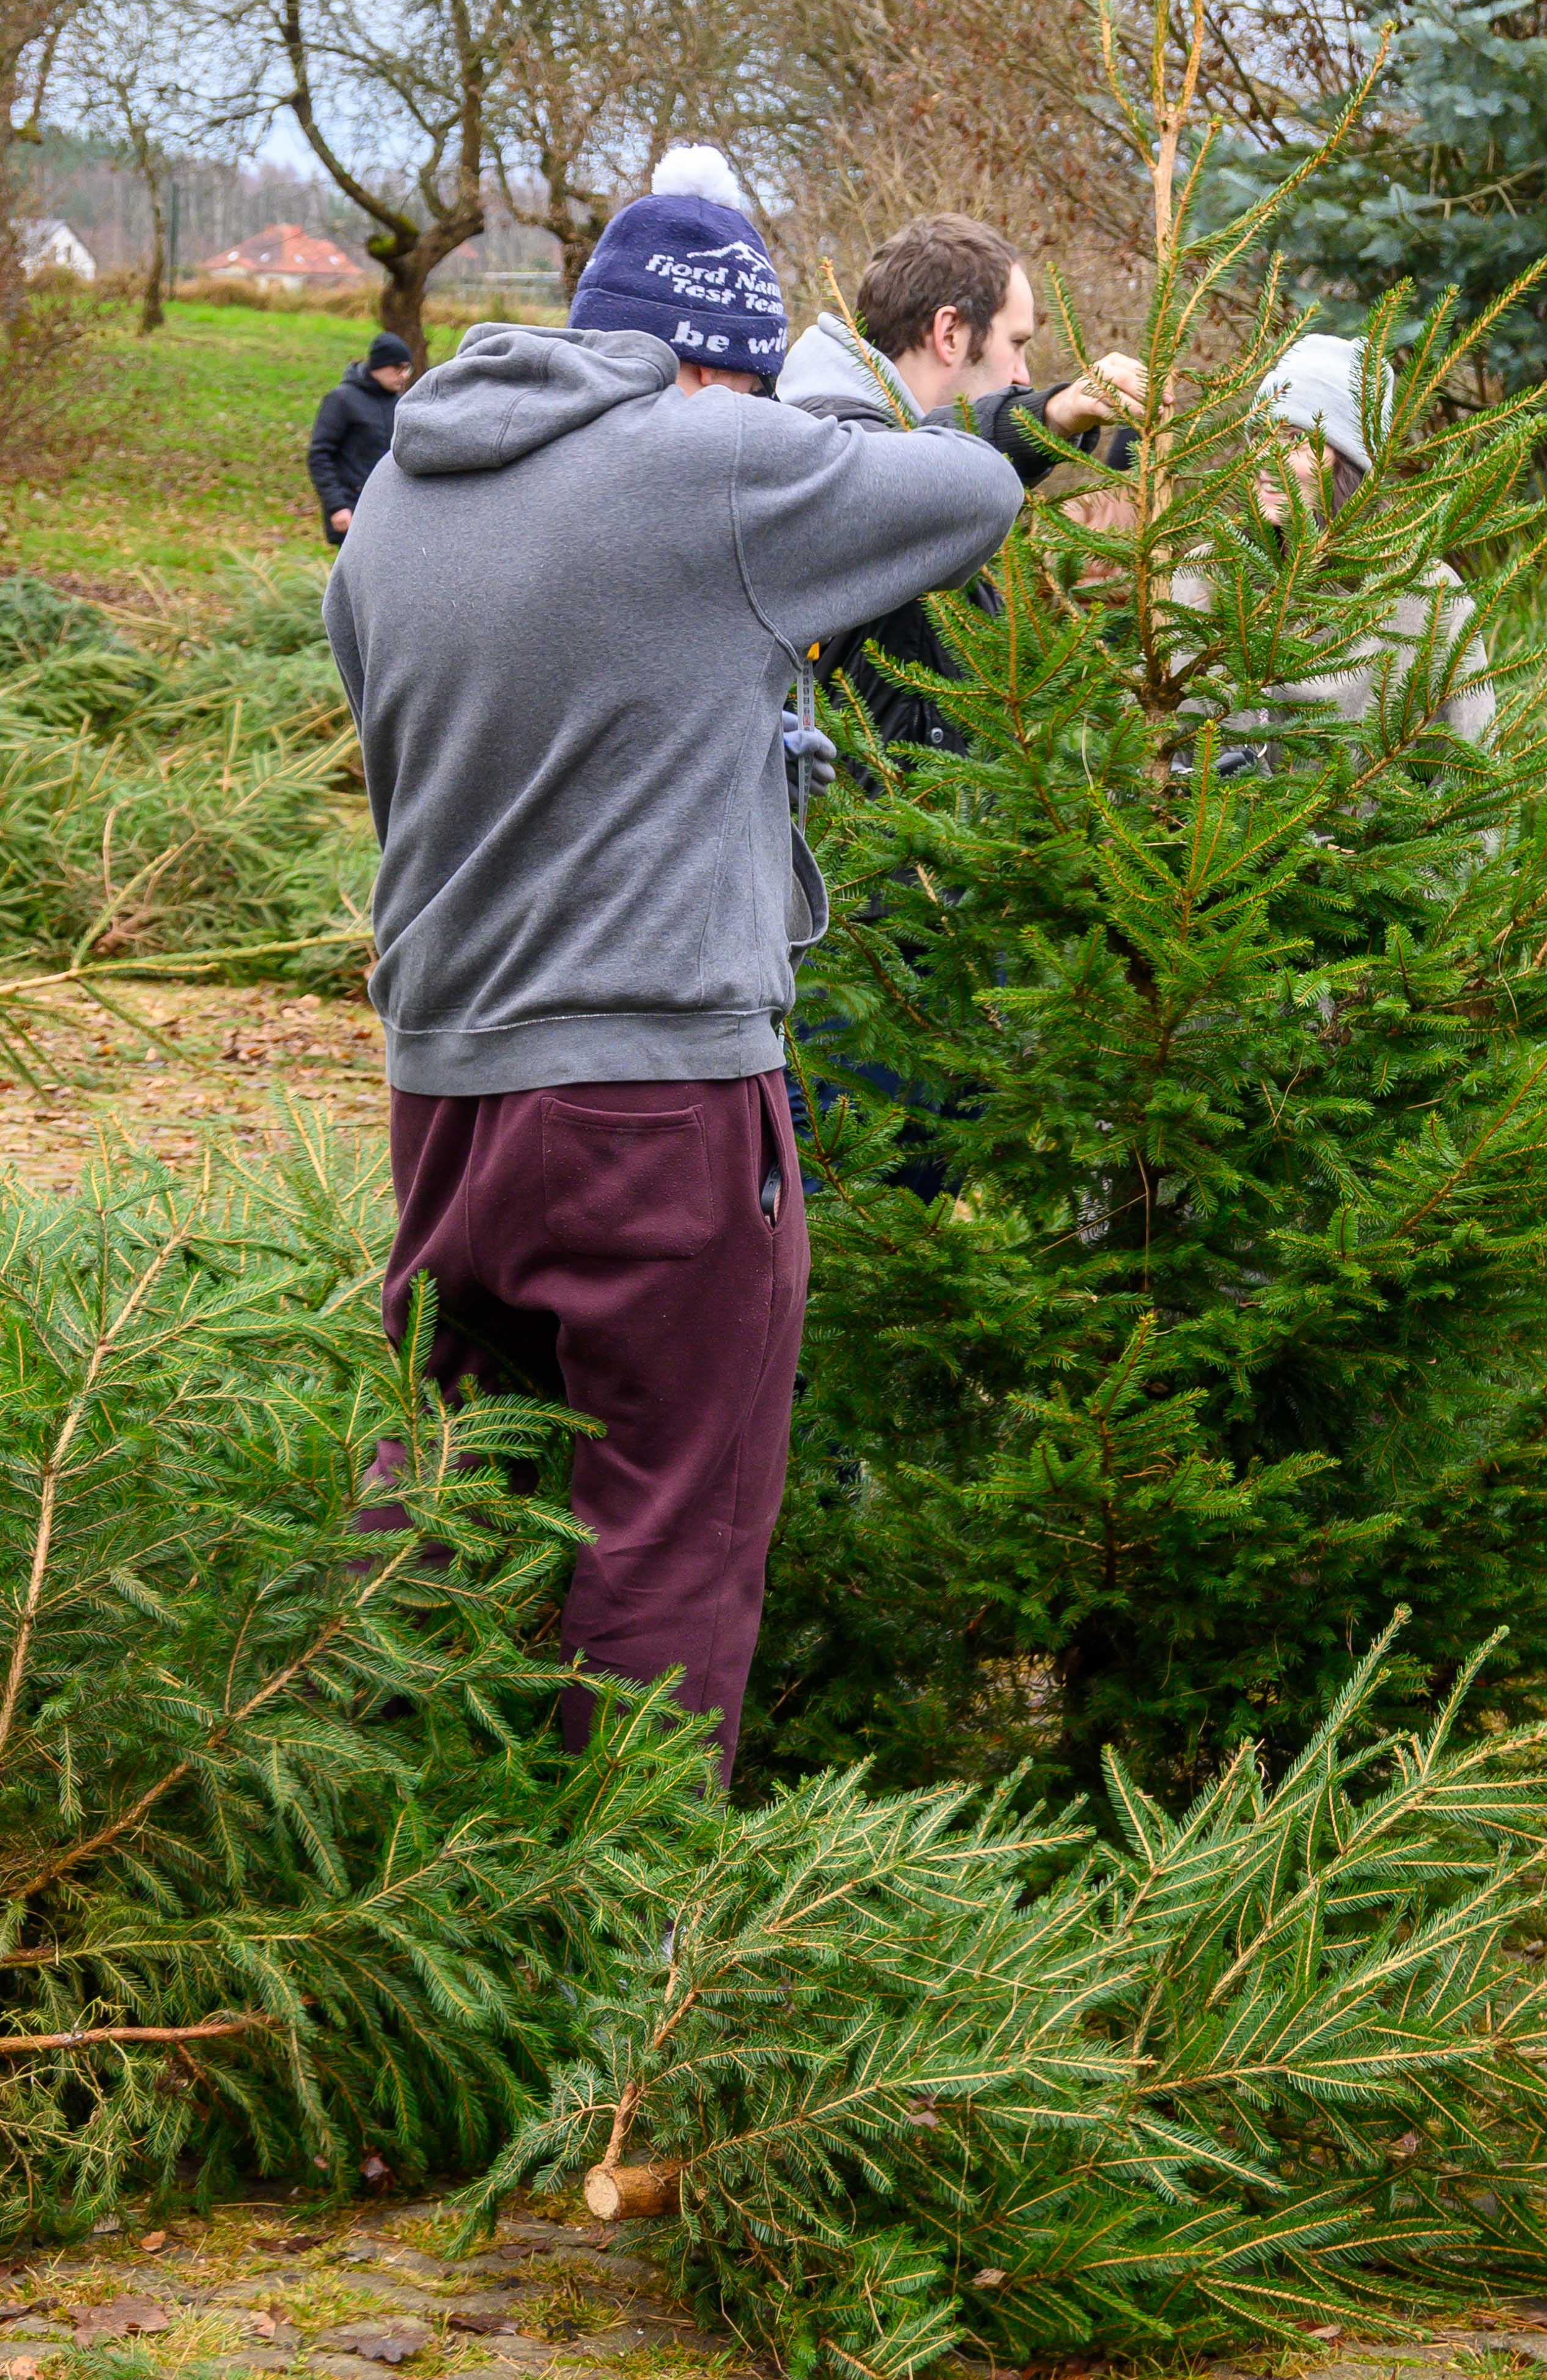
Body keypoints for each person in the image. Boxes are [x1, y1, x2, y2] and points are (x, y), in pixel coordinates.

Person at [322, 145, 1024, 1780]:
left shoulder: (404, 498)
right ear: (719, 367)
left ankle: (361, 1832)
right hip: (658, 1098)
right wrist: (877, 415)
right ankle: (623, 1895)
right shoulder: (709, 457)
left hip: (443, 1088)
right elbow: (975, 491)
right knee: (667, 1527)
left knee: (447, 1481)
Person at [778, 212, 1142, 757]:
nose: (1023, 375)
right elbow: (905, 477)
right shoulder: (820, 447)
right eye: (1016, 343)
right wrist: (1049, 415)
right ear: (949, 334)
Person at [1246, 334, 1495, 750]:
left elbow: (1470, 762)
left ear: (1348, 461)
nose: (1263, 459)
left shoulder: (1424, 595)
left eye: (1293, 438)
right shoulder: (1211, 573)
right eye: (1259, 435)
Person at [308, 331, 415, 542]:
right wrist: (337, 506)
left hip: (390, 511)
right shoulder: (341, 400)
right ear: (378, 365)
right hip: (352, 511)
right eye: (398, 368)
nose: (404, 375)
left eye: (407, 369)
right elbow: (319, 456)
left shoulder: (400, 404)